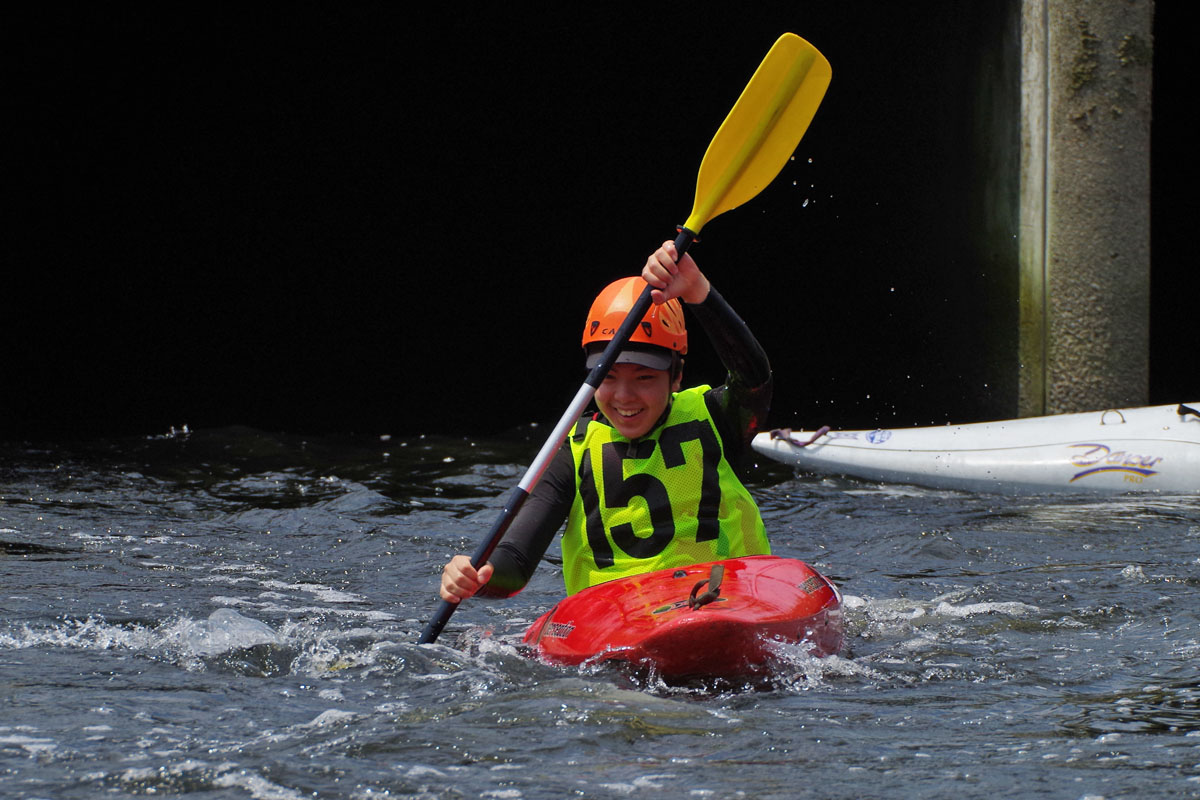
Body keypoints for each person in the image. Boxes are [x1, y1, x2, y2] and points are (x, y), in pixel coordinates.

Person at [439, 239, 773, 603]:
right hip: (618, 623)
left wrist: (699, 293)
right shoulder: (572, 450)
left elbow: (754, 377)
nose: (624, 396)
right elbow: (516, 563)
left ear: (676, 377)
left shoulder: (718, 418)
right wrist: (480, 576)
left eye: (644, 377)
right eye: (608, 377)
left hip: (727, 601)